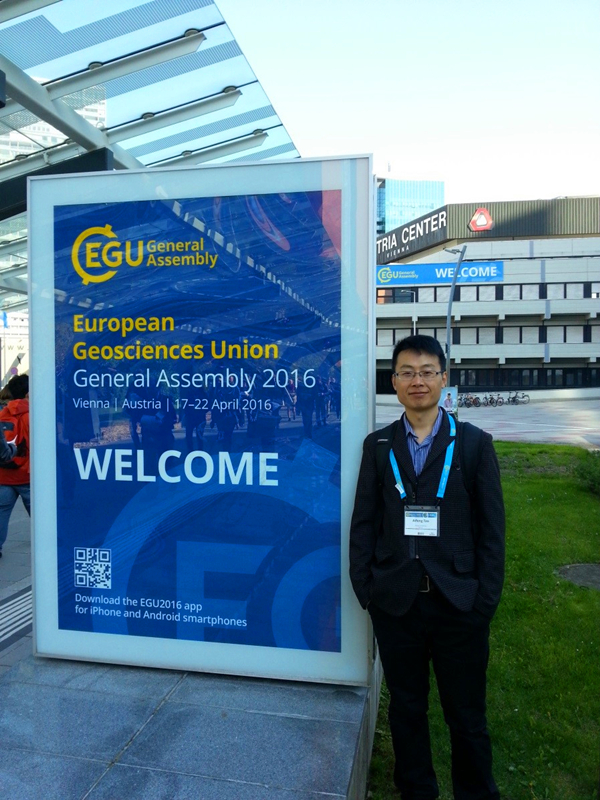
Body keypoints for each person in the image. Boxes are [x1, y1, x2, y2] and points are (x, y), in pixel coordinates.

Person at [350, 335, 505, 800]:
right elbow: (364, 522)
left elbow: (492, 531)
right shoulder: (378, 446)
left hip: (460, 603)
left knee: (467, 716)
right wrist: (367, 590)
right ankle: (417, 791)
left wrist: (483, 602)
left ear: (443, 378)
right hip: (396, 604)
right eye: (407, 372)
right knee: (406, 709)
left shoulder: (474, 444)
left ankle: (476, 793)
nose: (417, 381)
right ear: (394, 382)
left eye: (426, 372)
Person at [0, 374, 30, 559]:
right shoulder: (32, 416)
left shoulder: (2, 413)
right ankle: (50, 544)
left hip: (3, 475)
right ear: (27, 394)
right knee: (40, 515)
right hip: (27, 476)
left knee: (1, 513)